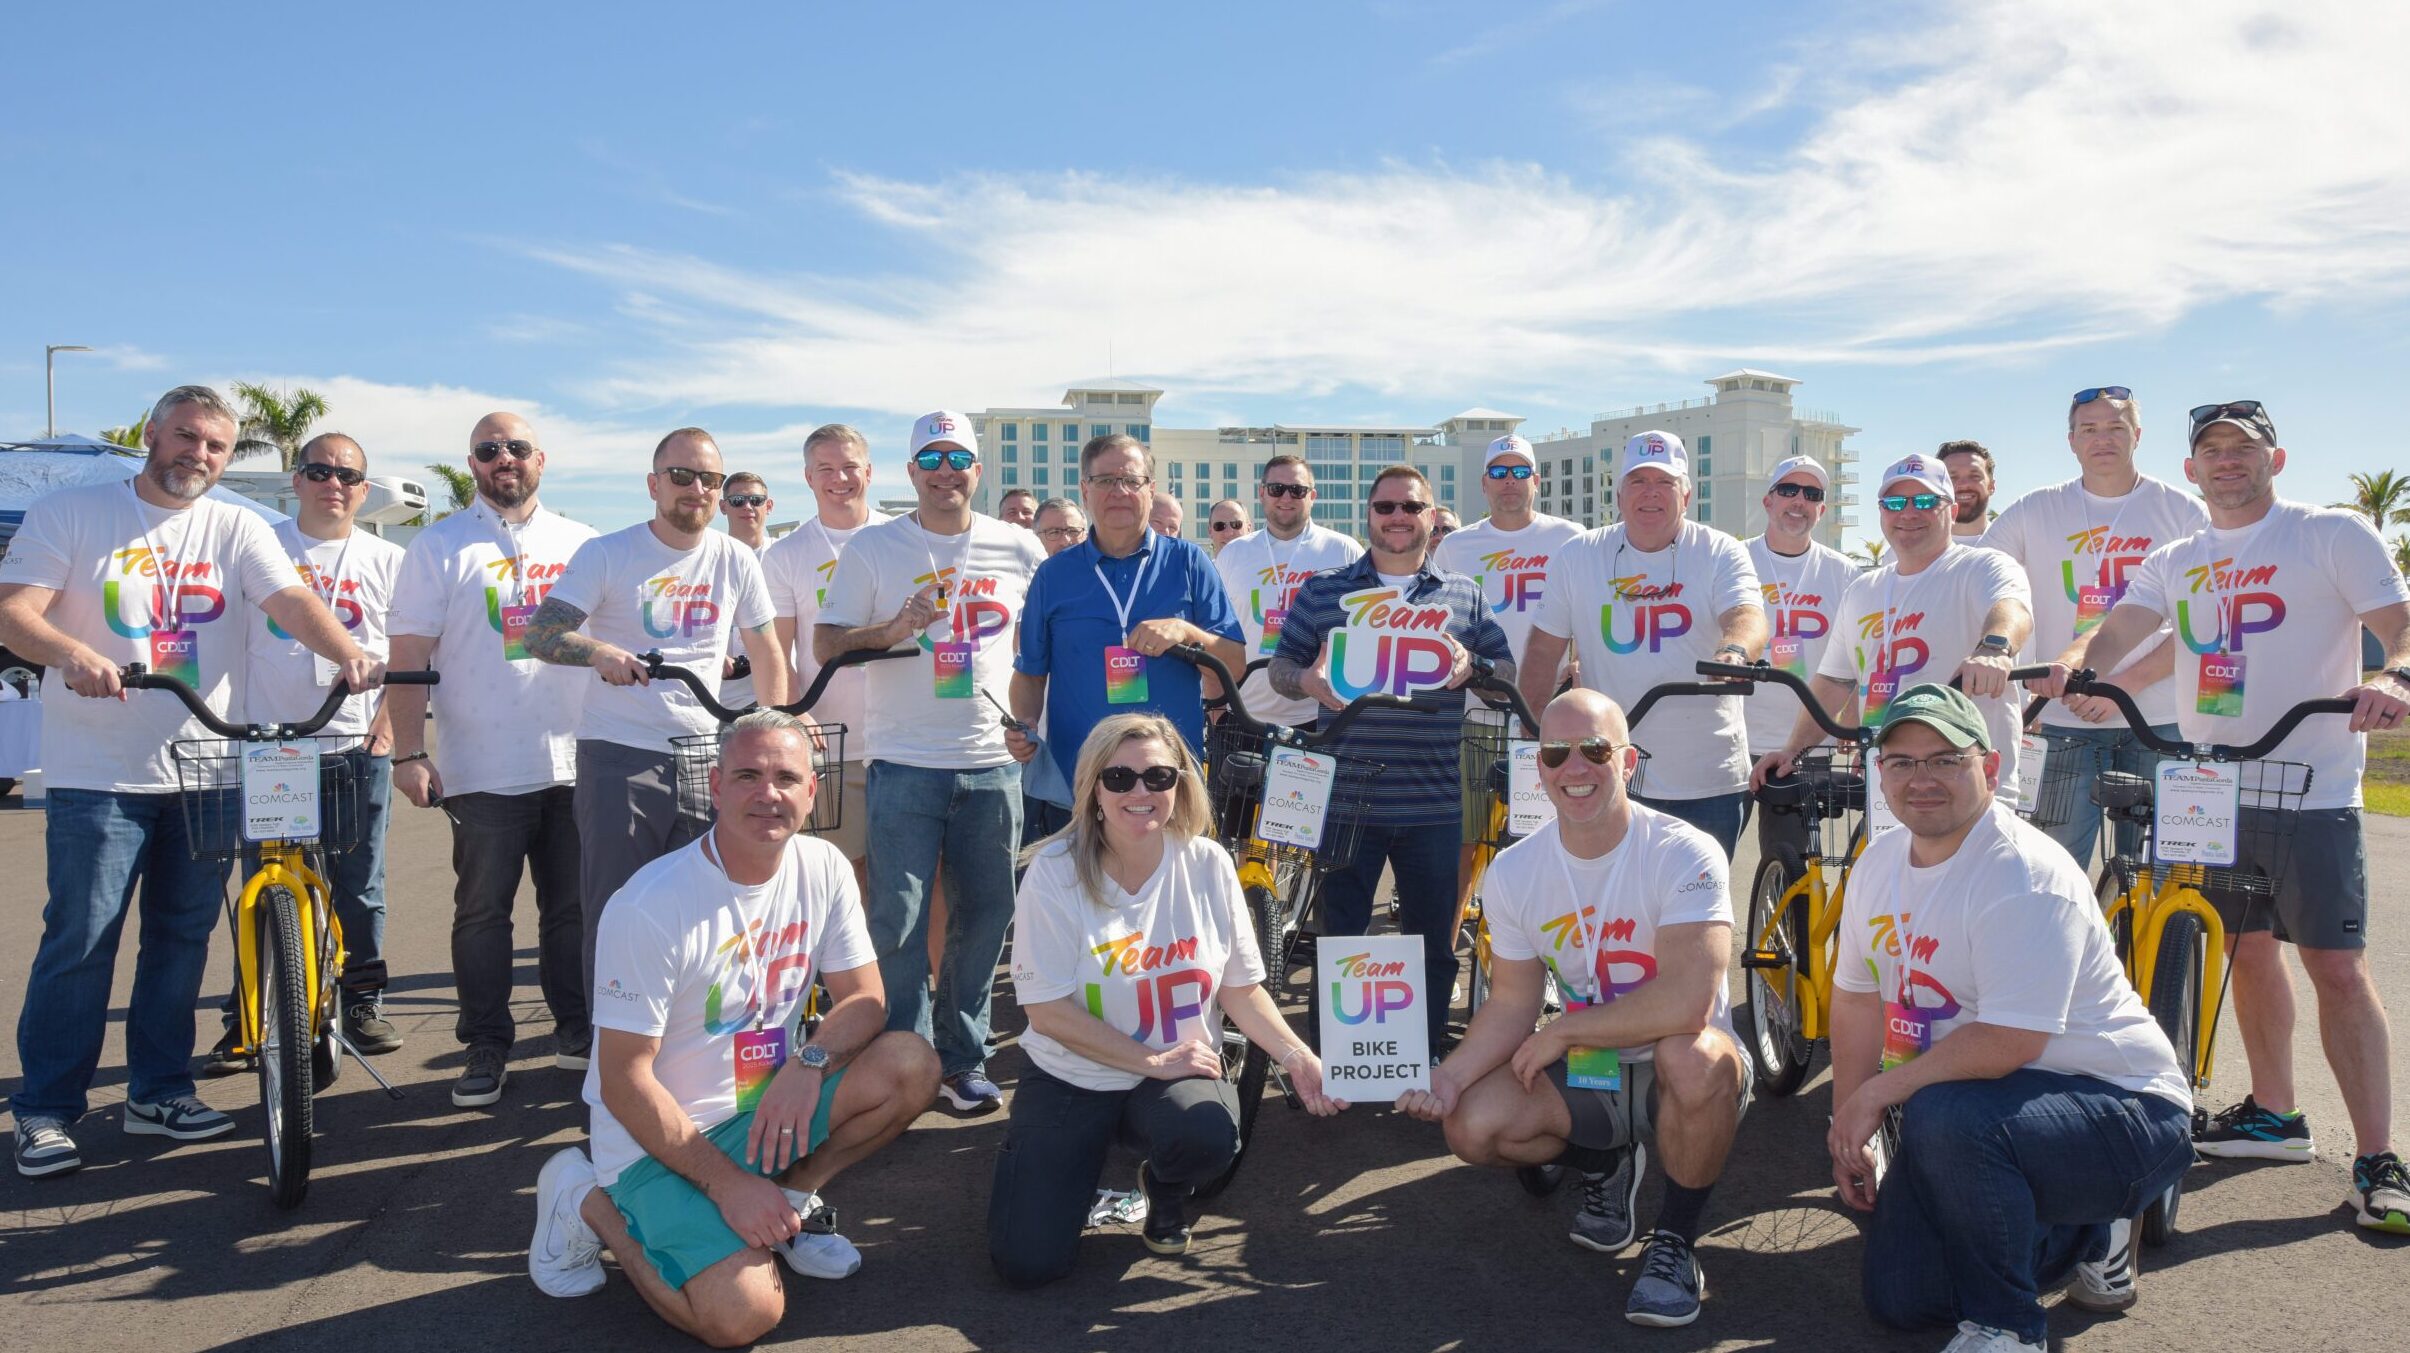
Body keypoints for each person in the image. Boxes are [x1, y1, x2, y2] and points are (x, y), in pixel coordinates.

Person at [2037, 399, 2410, 1234]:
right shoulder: (2178, 557)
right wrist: (2081, 669)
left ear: (2275, 461)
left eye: (2243, 449)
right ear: (2191, 467)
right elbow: (2130, 629)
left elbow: (2396, 622)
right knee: (2239, 948)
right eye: (2211, 449)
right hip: (2206, 784)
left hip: (2308, 786)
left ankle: (2380, 1157)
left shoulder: (2329, 534)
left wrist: (2396, 676)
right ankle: (2275, 1115)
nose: (2226, 461)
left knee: (2337, 969)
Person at [2, 385, 383, 1177]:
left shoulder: (237, 525)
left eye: (214, 445)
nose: (198, 455)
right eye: (185, 437)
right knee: (82, 938)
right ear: (152, 433)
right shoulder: (73, 514)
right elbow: (14, 613)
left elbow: (289, 596)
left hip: (206, 765)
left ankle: (159, 1090)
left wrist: (344, 650)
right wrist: (71, 653)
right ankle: (45, 1107)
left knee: (180, 938)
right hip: (98, 773)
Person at [526, 711, 939, 1344]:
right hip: (657, 1143)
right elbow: (623, 1079)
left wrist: (809, 1065)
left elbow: (865, 998)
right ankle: (589, 1204)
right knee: (743, 1317)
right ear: (714, 787)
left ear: (812, 790)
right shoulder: (650, 904)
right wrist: (729, 1186)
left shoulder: (823, 866)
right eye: (747, 775)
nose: (767, 793)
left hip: (766, 1107)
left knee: (911, 1063)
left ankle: (789, 1203)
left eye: (785, 777)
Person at [1828, 684, 2193, 1350]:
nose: (1922, 778)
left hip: (2126, 1107)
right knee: (1901, 1297)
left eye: (1944, 759)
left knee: (1945, 1116)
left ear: (1990, 768)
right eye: (1902, 761)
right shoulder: (1878, 865)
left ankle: (2008, 1323)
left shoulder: (2023, 872)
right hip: (2002, 1107)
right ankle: (2087, 1228)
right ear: (1879, 773)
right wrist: (1848, 1117)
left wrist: (1878, 1094)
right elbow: (1855, 996)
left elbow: (2007, 1040)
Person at [1398, 689, 1748, 1327]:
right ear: (1539, 769)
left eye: (1595, 749)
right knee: (1471, 1126)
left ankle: (1674, 1242)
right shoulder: (1514, 871)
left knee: (1690, 1054)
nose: (1575, 768)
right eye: (1556, 753)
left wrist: (1567, 1029)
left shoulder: (1686, 850)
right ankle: (1606, 1161)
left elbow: (1689, 1000)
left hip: (1677, 1061)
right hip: (1594, 1063)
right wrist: (1446, 1077)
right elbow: (1510, 1004)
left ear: (1629, 761)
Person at [989, 713, 1345, 1286]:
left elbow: (1240, 987)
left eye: (1158, 777)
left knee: (1205, 1134)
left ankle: (1166, 1185)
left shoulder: (1208, 864)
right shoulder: (1055, 872)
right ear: (1092, 788)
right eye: (1120, 777)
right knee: (1027, 1264)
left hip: (1170, 1077)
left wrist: (1296, 1056)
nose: (1140, 792)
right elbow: (1046, 1011)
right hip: (1073, 1075)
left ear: (1180, 785)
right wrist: (1150, 1059)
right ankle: (1063, 1163)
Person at [815, 410, 1046, 1116]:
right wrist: (892, 629)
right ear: (911, 471)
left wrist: (1033, 724)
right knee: (899, 920)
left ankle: (964, 1056)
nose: (946, 470)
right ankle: (906, 1058)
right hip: (905, 761)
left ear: (977, 471)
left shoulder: (1018, 546)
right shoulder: (875, 547)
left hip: (992, 761)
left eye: (959, 458)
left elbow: (1042, 647)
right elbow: (826, 643)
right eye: (931, 459)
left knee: (985, 915)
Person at [526, 427, 791, 1013]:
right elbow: (541, 632)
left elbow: (768, 649)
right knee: (619, 913)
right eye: (682, 476)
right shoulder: (607, 553)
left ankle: (691, 1056)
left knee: (709, 912)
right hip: (621, 757)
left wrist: (775, 735)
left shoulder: (734, 558)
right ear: (654, 484)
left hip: (707, 757)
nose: (697, 488)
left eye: (710, 479)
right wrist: (600, 653)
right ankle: (614, 1065)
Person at [388, 412, 598, 1106]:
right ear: (472, 463)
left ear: (543, 458)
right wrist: (410, 751)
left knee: (571, 911)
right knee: (483, 913)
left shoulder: (583, 543)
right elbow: (408, 656)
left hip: (574, 760)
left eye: (515, 448)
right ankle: (485, 1042)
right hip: (481, 766)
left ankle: (576, 1030)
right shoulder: (437, 546)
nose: (502, 459)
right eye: (487, 450)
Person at [1269, 465, 1513, 1050]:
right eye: (1386, 508)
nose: (1398, 517)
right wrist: (1307, 676)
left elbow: (1504, 673)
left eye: (1411, 507)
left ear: (1431, 517)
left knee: (1432, 941)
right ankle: (1340, 1059)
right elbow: (1280, 671)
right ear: (1369, 515)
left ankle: (1422, 1053)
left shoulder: (1463, 594)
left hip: (1433, 799)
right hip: (1345, 798)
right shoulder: (1325, 589)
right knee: (1341, 937)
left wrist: (1473, 668)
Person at [232, 433, 408, 1057]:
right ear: (296, 481)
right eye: (319, 471)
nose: (333, 483)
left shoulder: (388, 561)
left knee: (359, 883)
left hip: (354, 744)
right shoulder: (258, 547)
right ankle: (250, 1012)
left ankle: (362, 999)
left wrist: (388, 723)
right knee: (266, 878)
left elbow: (408, 653)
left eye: (348, 475)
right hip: (272, 748)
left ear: (364, 489)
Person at [1983, 388, 2206, 868]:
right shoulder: (2033, 510)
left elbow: (2207, 622)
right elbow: (1985, 586)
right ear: (2071, 440)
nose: (2101, 439)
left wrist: (2124, 685)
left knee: (2157, 879)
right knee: (2051, 872)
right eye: (2089, 429)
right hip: (2059, 722)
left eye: (2115, 427)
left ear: (2138, 436)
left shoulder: (2184, 512)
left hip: (2160, 722)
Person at [1521, 432, 1766, 856]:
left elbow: (1747, 616)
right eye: (1638, 481)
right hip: (1606, 773)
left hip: (1707, 779)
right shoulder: (1579, 555)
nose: (1650, 493)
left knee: (1698, 908)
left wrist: (1735, 652)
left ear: (1686, 495)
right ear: (1618, 493)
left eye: (1665, 483)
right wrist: (1528, 739)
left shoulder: (1719, 550)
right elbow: (1544, 651)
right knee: (1610, 909)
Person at [1009, 433, 1244, 843]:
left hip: (1168, 782)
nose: (1118, 491)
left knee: (1170, 904)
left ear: (1151, 490)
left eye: (1131, 480)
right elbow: (1030, 675)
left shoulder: (1189, 562)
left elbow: (1235, 664)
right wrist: (1024, 725)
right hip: (1080, 785)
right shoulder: (1053, 575)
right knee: (1083, 903)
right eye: (1104, 481)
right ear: (1085, 490)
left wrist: (1186, 632)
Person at [1756, 454, 2034, 799]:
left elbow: (2012, 608)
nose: (1908, 513)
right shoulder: (1863, 589)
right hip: (1889, 780)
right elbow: (1833, 680)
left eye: (1926, 501)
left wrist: (1994, 648)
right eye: (1895, 502)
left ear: (1953, 510)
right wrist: (1793, 751)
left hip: (1969, 783)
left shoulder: (1983, 566)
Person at [761, 427, 890, 892]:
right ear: (809, 478)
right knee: (844, 876)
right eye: (826, 469)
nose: (840, 478)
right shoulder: (786, 555)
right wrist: (797, 714)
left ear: (870, 473)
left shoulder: (900, 539)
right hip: (834, 745)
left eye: (850, 467)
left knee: (914, 878)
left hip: (904, 740)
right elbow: (775, 651)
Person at [1740, 456, 1858, 869]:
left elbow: (1859, 656)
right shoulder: (1734, 560)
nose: (1799, 501)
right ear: (1768, 501)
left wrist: (1851, 718)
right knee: (1706, 860)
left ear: (1822, 509)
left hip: (1805, 743)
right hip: (1733, 737)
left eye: (1812, 494)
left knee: (1789, 865)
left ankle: (1778, 935)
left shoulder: (1845, 572)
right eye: (1788, 490)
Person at [1212, 454, 1362, 729]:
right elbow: (1216, 631)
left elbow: (1364, 628)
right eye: (1276, 489)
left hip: (1322, 715)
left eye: (1297, 490)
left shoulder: (1344, 550)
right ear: (1262, 493)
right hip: (1243, 715)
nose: (1286, 497)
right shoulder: (1235, 552)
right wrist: (1217, 706)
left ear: (1312, 495)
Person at [717, 471, 775, 711]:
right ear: (723, 507)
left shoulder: (785, 556)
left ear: (768, 506)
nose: (748, 507)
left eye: (756, 500)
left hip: (775, 695)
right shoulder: (710, 557)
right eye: (737, 501)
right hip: (721, 697)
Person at [1938, 440, 1996, 541]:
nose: (1963, 485)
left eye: (1974, 476)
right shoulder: (1912, 549)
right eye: (1952, 477)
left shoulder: (2015, 547)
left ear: (1991, 486)